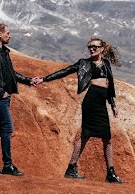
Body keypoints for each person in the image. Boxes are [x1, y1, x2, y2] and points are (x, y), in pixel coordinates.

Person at [41, 37, 123, 184]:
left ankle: (110, 173)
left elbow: (110, 86)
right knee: (85, 135)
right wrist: (45, 79)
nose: (91, 49)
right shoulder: (84, 63)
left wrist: (113, 104)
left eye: (95, 47)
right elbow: (65, 71)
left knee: (107, 138)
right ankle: (71, 168)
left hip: (102, 104)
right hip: (90, 102)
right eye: (89, 47)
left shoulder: (106, 64)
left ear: (102, 49)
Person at [0, 23, 35, 176]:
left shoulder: (4, 52)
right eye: (7, 33)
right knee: (7, 128)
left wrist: (29, 81)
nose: (9, 36)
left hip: (5, 95)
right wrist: (0, 92)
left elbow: (12, 73)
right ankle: (7, 166)